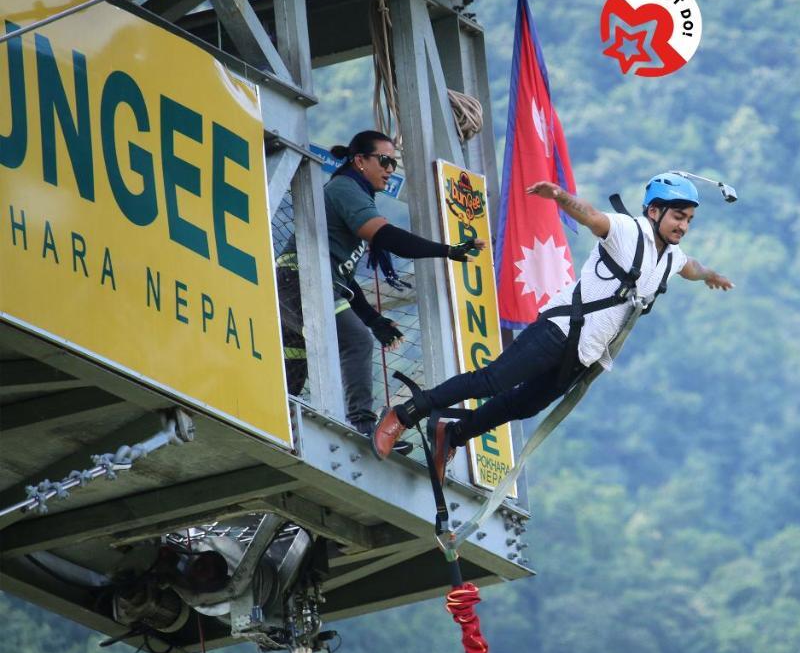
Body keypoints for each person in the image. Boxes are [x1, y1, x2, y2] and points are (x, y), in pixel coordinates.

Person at [369, 172, 734, 472]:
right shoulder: (627, 230)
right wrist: (559, 196)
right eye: (678, 217)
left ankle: (452, 435)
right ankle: (403, 414)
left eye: (688, 220)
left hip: (582, 355)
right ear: (654, 211)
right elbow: (591, 215)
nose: (683, 226)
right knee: (491, 381)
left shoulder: (671, 257)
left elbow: (692, 268)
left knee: (524, 405)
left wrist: (711, 275)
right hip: (559, 331)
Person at [276, 130, 485, 447]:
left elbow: (344, 280)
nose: (390, 169)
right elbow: (388, 238)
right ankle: (362, 424)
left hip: (306, 283)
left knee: (297, 359)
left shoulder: (353, 192)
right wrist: (447, 251)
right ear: (360, 160)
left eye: (394, 162)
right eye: (385, 160)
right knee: (356, 342)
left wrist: (374, 320)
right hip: (300, 280)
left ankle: (281, 422)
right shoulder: (346, 189)